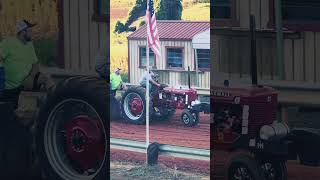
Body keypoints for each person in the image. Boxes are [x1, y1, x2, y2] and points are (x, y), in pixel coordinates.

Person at [0, 19, 54, 108]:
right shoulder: (8, 43)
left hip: (27, 81)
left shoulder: (30, 44)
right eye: (30, 30)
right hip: (11, 87)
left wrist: (31, 76)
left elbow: (35, 64)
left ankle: (57, 103)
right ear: (23, 32)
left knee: (46, 78)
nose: (32, 32)